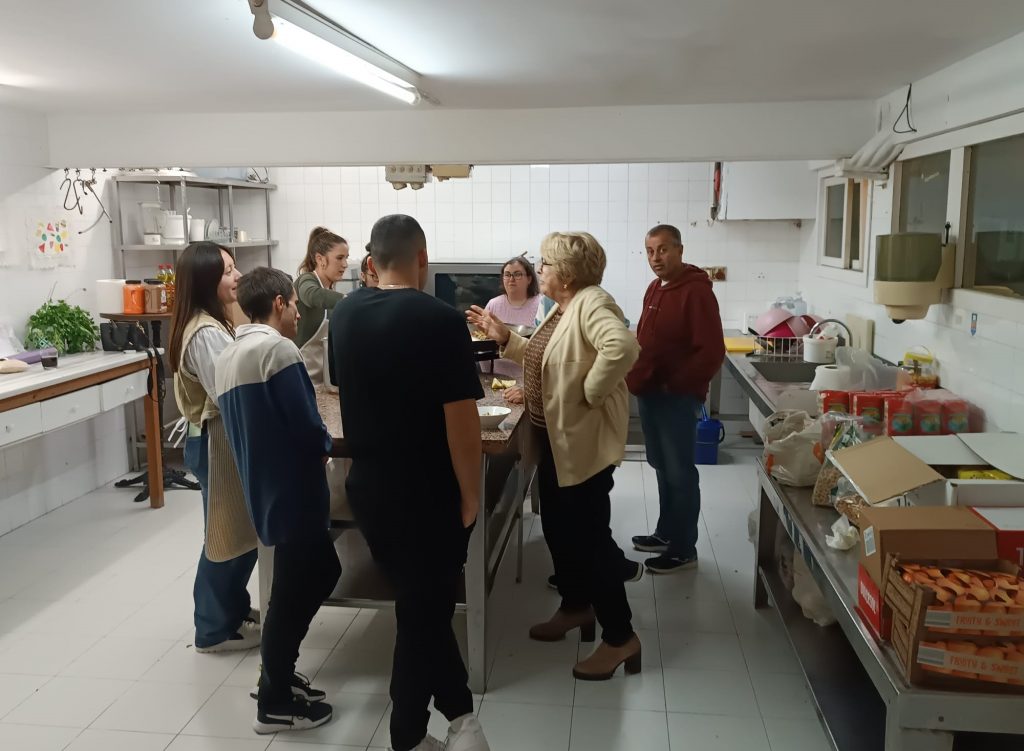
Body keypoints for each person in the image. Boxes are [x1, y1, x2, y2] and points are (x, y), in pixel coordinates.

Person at [329, 215, 490, 751]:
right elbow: (462, 424)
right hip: (428, 494)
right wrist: (471, 494)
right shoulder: (439, 319)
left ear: (372, 262)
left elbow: (347, 388)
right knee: (425, 613)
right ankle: (412, 736)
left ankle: (457, 719)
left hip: (370, 489)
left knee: (421, 607)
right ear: (422, 258)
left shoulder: (345, 313)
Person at [468, 231, 642, 681]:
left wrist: (589, 391)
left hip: (582, 443)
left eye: (544, 264)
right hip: (555, 440)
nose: (539, 270)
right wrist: (506, 338)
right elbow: (547, 357)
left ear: (565, 273)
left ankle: (620, 637)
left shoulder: (593, 302)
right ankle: (576, 606)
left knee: (590, 540)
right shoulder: (564, 307)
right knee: (561, 531)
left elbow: (623, 347)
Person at [215, 267, 342, 734]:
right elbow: (305, 423)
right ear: (279, 303)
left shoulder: (229, 353)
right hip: (294, 487)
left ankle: (278, 674)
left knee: (306, 579)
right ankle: (274, 700)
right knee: (300, 587)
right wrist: (325, 445)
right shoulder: (278, 349)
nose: (298, 314)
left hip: (265, 487)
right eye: (293, 304)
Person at [168, 242, 259, 654]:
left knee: (239, 532)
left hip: (222, 438)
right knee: (224, 536)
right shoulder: (204, 332)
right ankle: (212, 630)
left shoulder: (214, 321)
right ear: (206, 280)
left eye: (234, 267)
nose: (237, 276)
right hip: (215, 441)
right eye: (227, 271)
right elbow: (230, 393)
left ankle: (232, 611)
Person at [626, 224, 725, 574]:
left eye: (663, 249)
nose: (656, 258)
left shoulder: (696, 292)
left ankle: (684, 549)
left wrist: (676, 385)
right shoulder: (655, 287)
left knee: (680, 472)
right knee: (661, 465)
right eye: (650, 251)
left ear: (680, 250)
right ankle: (666, 532)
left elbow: (711, 352)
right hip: (650, 393)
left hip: (675, 398)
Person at [293, 226, 350, 384]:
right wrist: (349, 301)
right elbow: (311, 295)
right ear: (320, 259)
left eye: (346, 258)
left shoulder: (329, 289)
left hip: (322, 377)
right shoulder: (307, 280)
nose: (345, 264)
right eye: (339, 258)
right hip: (301, 373)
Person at [484, 256, 541, 379]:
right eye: (507, 274)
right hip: (496, 377)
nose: (511, 279)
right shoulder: (493, 304)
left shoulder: (541, 304)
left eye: (517, 274)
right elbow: (483, 343)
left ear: (529, 279)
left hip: (530, 377)